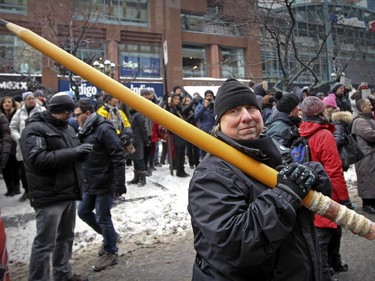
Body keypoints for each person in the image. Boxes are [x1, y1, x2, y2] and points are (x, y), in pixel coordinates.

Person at [188, 78, 331, 281]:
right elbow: (236, 243)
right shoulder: (211, 174)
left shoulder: (274, 153)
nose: (246, 117)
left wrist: (314, 176)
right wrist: (286, 193)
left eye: (250, 107)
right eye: (234, 111)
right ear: (219, 121)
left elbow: (308, 210)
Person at [20, 92, 90, 281]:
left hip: (68, 192)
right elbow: (37, 159)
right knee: (45, 244)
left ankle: (63, 275)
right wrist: (74, 152)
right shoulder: (35, 129)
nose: (70, 115)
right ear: (55, 111)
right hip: (49, 194)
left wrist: (81, 153)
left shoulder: (66, 128)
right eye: (66, 112)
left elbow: (68, 153)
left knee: (65, 239)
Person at [299, 96, 354, 281]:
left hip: (311, 189)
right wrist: (345, 199)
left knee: (333, 228)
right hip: (328, 191)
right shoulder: (324, 135)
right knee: (323, 234)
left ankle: (334, 262)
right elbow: (334, 171)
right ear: (321, 112)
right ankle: (323, 274)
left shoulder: (303, 130)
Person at [75, 100, 126, 272]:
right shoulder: (86, 129)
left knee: (103, 217)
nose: (75, 118)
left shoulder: (104, 128)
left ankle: (111, 251)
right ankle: (110, 236)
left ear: (87, 113)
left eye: (77, 115)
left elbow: (118, 154)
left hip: (105, 181)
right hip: (91, 180)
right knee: (83, 212)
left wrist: (120, 183)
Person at [10, 91, 46, 202]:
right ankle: (27, 191)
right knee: (24, 171)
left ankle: (40, 190)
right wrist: (19, 138)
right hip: (23, 146)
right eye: (28, 98)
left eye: (32, 98)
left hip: (38, 145)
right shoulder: (19, 112)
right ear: (24, 100)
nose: (30, 100)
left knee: (39, 168)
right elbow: (12, 128)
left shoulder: (41, 110)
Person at [351, 98, 375, 214]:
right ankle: (367, 204)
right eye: (369, 105)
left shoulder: (367, 118)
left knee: (371, 179)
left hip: (369, 155)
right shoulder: (360, 121)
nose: (371, 106)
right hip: (366, 156)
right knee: (366, 179)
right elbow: (370, 135)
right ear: (363, 108)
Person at [0, 96, 20, 197]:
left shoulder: (16, 113)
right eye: (4, 102)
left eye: (9, 102)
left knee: (14, 167)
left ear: (12, 103)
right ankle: (9, 188)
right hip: (5, 144)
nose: (6, 104)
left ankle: (16, 187)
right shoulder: (1, 115)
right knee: (5, 168)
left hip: (14, 144)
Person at [194, 90, 215, 159]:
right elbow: (196, 116)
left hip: (213, 131)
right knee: (204, 151)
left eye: (210, 96)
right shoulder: (200, 106)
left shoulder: (214, 106)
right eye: (207, 96)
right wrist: (204, 107)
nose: (209, 97)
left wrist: (214, 105)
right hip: (204, 131)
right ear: (205, 97)